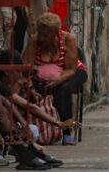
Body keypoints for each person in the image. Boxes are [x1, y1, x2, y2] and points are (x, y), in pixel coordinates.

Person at [23, 12, 88, 145]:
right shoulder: (35, 41)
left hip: (71, 72)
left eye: (46, 35)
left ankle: (66, 131)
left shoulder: (67, 39)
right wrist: (31, 87)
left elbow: (71, 69)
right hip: (42, 75)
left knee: (63, 90)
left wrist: (58, 80)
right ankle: (41, 129)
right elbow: (26, 69)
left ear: (55, 33)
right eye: (41, 34)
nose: (42, 38)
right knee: (36, 90)